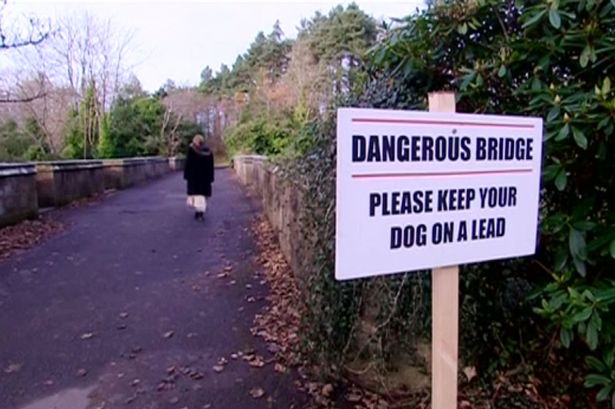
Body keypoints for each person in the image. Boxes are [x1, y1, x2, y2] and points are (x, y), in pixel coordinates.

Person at [183, 134, 214, 220]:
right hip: (205, 179)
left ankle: (198, 212)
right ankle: (200, 213)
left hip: (194, 178)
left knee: (197, 197)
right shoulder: (209, 151)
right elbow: (211, 166)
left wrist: (186, 176)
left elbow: (188, 164)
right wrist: (211, 178)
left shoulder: (191, 150)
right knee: (203, 197)